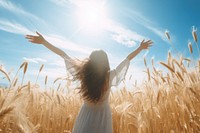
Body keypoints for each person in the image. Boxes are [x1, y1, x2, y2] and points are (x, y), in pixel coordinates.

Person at [25, 32, 153, 133]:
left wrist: (44, 42)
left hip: (85, 115)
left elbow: (63, 54)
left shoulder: (83, 74)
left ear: (91, 61)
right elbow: (128, 59)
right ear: (105, 62)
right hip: (103, 117)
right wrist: (140, 48)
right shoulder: (110, 76)